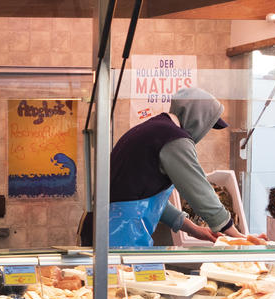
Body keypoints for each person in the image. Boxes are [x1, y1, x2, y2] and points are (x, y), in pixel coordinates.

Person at [110, 87, 262, 248]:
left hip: (112, 229)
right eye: (207, 126)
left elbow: (147, 202)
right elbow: (199, 190)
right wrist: (236, 236)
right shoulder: (173, 138)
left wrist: (194, 229)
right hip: (120, 235)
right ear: (198, 119)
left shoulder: (154, 129)